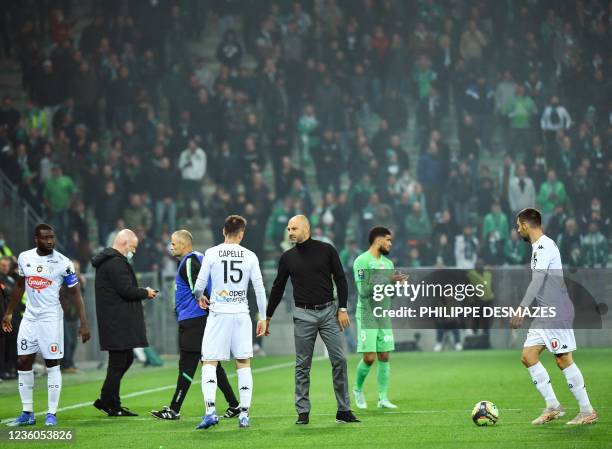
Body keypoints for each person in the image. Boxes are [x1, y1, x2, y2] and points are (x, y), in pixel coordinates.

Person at [266, 215, 359, 425]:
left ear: (306, 229)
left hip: (329, 312)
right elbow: (277, 288)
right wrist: (268, 315)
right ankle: (303, 412)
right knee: (302, 365)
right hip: (303, 314)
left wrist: (342, 308)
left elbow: (341, 279)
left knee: (339, 360)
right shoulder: (287, 257)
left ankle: (343, 411)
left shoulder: (327, 250)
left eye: (294, 228)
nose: (290, 232)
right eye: (288, 229)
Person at [511, 208, 597, 425]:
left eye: (518, 225)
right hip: (544, 311)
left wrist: (521, 308)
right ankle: (553, 406)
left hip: (556, 310)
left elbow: (538, 280)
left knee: (563, 359)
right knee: (528, 356)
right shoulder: (539, 247)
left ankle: (587, 410)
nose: (517, 229)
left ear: (526, 224)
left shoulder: (543, 246)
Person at [1, 223, 90, 427]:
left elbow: (75, 292)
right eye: (45, 237)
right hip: (30, 317)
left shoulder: (63, 262)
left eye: (52, 237)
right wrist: (8, 312)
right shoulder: (24, 258)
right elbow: (20, 286)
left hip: (51, 318)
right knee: (23, 361)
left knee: (52, 363)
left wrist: (83, 322)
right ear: (36, 239)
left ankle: (51, 413)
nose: (49, 241)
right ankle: (27, 412)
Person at [151, 229, 239, 420]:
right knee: (211, 364)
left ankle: (174, 409)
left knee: (188, 365)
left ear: (183, 244)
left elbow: (197, 287)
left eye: (173, 243)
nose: (171, 247)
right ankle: (234, 405)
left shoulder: (190, 260)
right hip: (199, 320)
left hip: (193, 321)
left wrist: (203, 299)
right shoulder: (198, 257)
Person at [193, 215, 268, 429]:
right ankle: (244, 415)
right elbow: (260, 289)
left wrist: (200, 297)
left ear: (223, 231)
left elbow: (199, 285)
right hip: (241, 315)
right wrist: (262, 317)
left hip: (219, 314)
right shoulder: (250, 256)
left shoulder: (212, 253)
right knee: (243, 363)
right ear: (241, 233)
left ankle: (210, 412)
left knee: (209, 362)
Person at [91, 229, 158, 417]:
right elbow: (126, 290)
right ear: (123, 242)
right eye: (133, 247)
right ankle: (108, 401)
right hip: (116, 321)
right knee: (119, 362)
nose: (134, 251)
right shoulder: (115, 263)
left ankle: (111, 401)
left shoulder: (111, 261)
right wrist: (145, 292)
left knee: (124, 359)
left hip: (115, 319)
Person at [352, 226, 407, 410]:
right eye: (388, 240)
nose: (390, 244)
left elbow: (389, 293)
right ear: (378, 240)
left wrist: (399, 285)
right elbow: (363, 291)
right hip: (367, 315)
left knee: (384, 355)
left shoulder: (388, 264)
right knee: (369, 358)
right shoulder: (361, 261)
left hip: (383, 315)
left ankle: (383, 398)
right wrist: (387, 280)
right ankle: (357, 389)